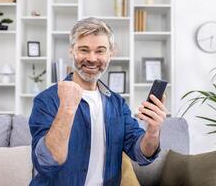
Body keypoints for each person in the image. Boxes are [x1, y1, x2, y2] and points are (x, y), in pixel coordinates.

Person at [29, 17, 167, 186]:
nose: (92, 58)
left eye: (100, 51)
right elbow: (46, 163)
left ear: (110, 54)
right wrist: (67, 108)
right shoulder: (46, 100)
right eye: (84, 50)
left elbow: (141, 154)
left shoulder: (117, 104)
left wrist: (153, 131)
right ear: (72, 51)